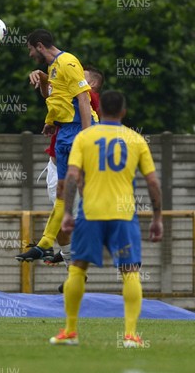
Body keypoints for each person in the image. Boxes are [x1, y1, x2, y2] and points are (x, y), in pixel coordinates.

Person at [49, 90, 163, 347]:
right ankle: (131, 335)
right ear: (123, 112)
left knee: (77, 269)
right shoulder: (135, 139)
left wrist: (67, 213)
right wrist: (157, 218)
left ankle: (70, 331)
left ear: (99, 112)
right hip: (123, 215)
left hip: (91, 213)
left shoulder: (85, 137)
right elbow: (153, 183)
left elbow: (72, 177)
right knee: (130, 270)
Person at [15, 29, 99, 263]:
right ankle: (44, 245)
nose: (30, 54)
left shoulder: (68, 62)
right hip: (63, 133)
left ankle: (50, 245)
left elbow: (83, 98)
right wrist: (51, 122)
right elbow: (53, 99)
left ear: (39, 46)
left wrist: (85, 136)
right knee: (64, 195)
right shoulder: (53, 68)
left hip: (76, 132)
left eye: (31, 49)